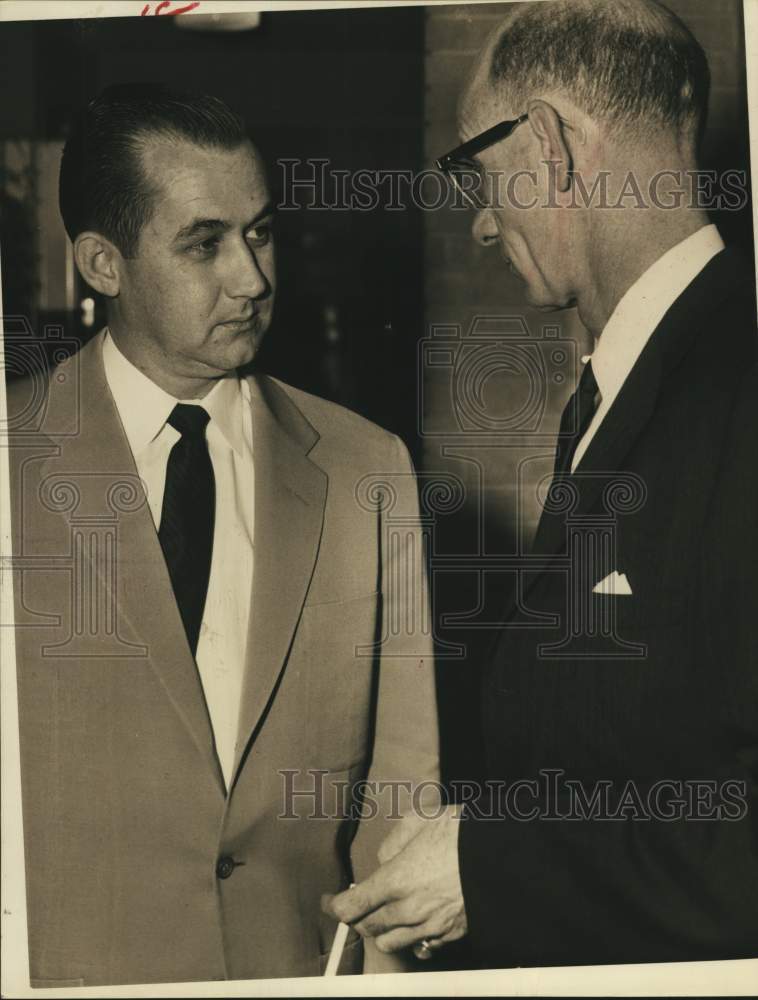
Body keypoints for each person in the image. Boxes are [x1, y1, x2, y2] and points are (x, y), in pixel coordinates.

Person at [325, 0, 758, 968]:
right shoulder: (621, 388)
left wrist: (486, 867)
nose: (483, 222)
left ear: (550, 146)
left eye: (481, 174)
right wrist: (471, 841)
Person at [6, 84, 438, 986]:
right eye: (205, 244)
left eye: (261, 233)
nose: (252, 278)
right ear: (102, 264)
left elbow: (403, 798)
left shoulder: (367, 468)